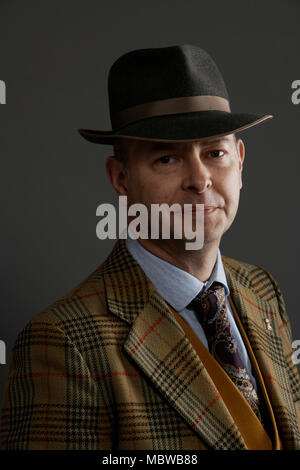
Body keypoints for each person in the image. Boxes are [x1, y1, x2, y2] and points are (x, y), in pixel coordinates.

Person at [1, 44, 300, 450]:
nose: (200, 180)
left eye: (215, 152)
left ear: (240, 161)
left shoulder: (262, 290)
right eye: (166, 159)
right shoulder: (63, 341)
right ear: (121, 179)